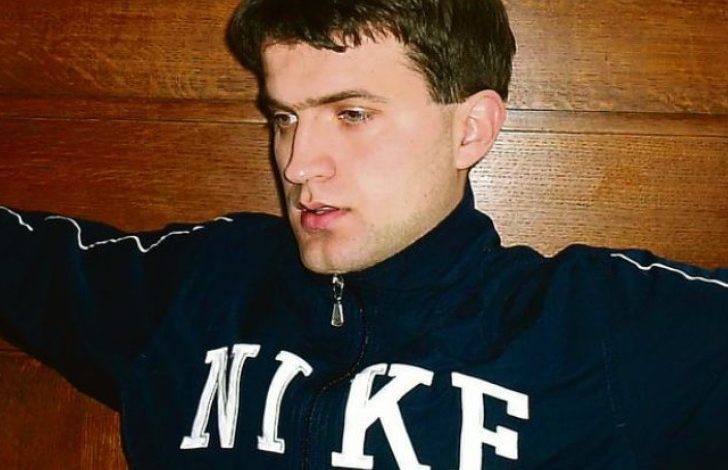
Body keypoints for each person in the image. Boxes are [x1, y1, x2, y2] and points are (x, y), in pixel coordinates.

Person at [1, 0, 726, 468]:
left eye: (351, 114)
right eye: (284, 117)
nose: (296, 164)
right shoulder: (201, 283)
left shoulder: (592, 326)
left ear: (471, 129)